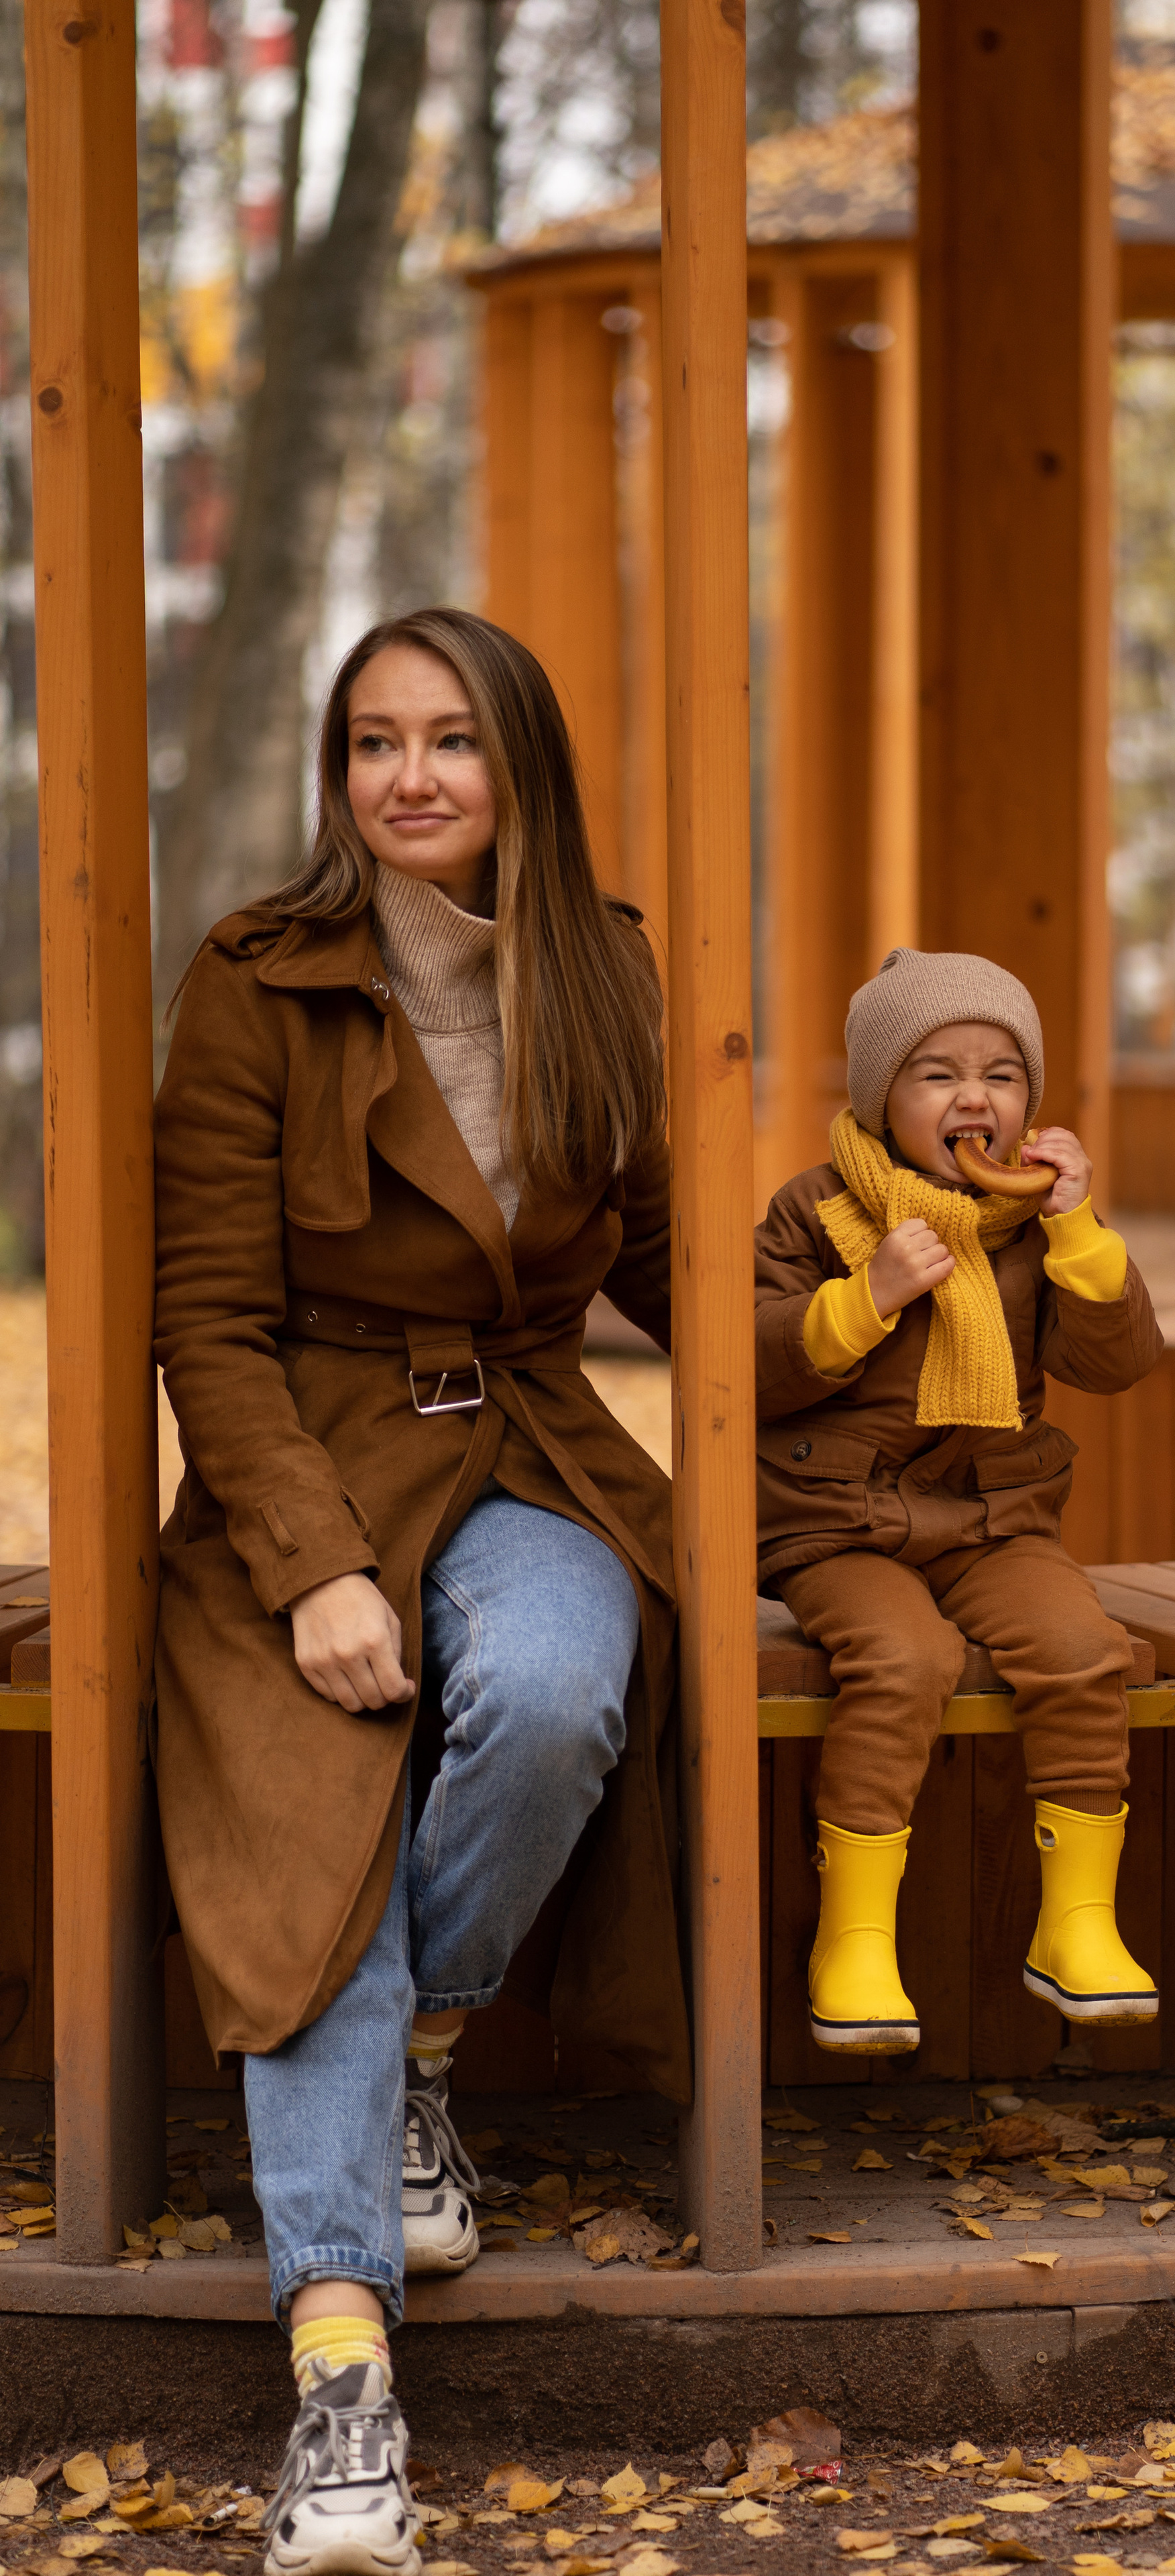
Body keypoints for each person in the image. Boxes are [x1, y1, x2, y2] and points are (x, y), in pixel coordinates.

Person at [153, 608, 685, 2576]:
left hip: (528, 1447)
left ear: (515, 764)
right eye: (372, 742)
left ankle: (418, 2062)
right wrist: (307, 1572)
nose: (408, 778)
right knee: (312, 1828)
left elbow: (679, 1272)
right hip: (302, 1468)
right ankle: (344, 2383)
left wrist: (885, 1306)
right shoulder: (253, 980)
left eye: (450, 740)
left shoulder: (604, 971)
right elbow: (205, 1319)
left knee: (558, 1689)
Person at [753, 948, 1167, 2055]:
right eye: (936, 1074)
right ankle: (855, 1938)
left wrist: (1079, 1227)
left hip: (992, 1521)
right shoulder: (817, 1212)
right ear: (880, 1099)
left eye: (1001, 1074)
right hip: (835, 1524)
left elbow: (1118, 1359)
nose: (973, 1098)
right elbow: (745, 1363)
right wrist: (868, 1297)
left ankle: (1075, 1925)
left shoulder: (1031, 1226)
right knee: (906, 1660)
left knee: (1084, 1646)